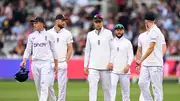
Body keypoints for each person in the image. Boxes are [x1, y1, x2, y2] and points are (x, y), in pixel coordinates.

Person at [20, 17, 58, 101]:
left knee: (44, 86)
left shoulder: (49, 35)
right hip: (35, 63)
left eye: (36, 22)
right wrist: (24, 59)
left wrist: (56, 64)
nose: (34, 24)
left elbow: (54, 50)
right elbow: (28, 49)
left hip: (46, 63)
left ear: (42, 24)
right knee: (38, 87)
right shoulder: (31, 36)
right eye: (34, 23)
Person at [135, 12, 166, 101]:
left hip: (155, 65)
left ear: (146, 22)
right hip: (146, 64)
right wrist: (140, 62)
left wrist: (140, 60)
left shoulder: (155, 31)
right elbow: (140, 50)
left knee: (157, 89)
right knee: (141, 83)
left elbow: (151, 48)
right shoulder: (147, 33)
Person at [84, 14, 114, 101]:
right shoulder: (90, 34)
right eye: (96, 22)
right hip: (93, 66)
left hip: (105, 66)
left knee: (107, 89)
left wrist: (111, 62)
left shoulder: (108, 33)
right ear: (93, 22)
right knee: (92, 89)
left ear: (102, 22)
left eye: (99, 22)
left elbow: (113, 49)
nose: (98, 24)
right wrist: (85, 66)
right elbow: (87, 51)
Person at [48, 14, 73, 101]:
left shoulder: (67, 33)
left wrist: (66, 61)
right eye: (62, 21)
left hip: (62, 62)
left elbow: (70, 48)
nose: (64, 22)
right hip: (51, 63)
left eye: (64, 21)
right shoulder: (48, 33)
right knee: (48, 84)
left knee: (62, 86)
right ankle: (53, 99)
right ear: (57, 21)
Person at [111, 24, 134, 101]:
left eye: (120, 30)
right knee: (111, 91)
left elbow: (131, 56)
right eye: (117, 30)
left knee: (126, 93)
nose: (119, 32)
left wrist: (128, 65)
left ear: (123, 31)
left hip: (124, 71)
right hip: (113, 71)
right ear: (115, 31)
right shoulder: (111, 42)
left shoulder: (127, 42)